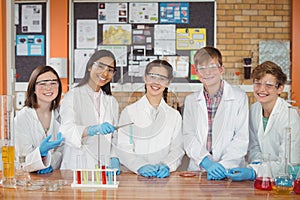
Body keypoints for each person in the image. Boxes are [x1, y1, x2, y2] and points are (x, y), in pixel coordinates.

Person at [183, 46, 249, 180]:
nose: (207, 72)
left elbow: (241, 138)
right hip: (199, 171)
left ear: (221, 69)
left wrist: (223, 166)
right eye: (202, 68)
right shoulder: (190, 100)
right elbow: (188, 136)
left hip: (231, 171)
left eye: (212, 66)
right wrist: (206, 162)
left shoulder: (239, 97)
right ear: (197, 72)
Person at [227, 61, 300, 181]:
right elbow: (254, 147)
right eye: (258, 83)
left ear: (280, 88)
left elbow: (290, 164)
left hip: (287, 182)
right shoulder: (254, 110)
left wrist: (255, 172)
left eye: (269, 85)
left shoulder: (290, 116)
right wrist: (258, 168)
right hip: (262, 180)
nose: (262, 89)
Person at [116, 59, 184, 178]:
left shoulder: (174, 116)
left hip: (164, 179)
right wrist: (140, 166)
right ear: (145, 78)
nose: (156, 82)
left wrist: (166, 165)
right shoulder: (129, 112)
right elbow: (123, 147)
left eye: (162, 78)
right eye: (152, 76)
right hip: (135, 179)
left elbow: (177, 149)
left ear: (168, 83)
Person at [59, 49, 120, 173]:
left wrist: (114, 157)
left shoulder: (111, 101)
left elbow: (115, 136)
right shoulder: (72, 96)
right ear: (89, 67)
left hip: (104, 168)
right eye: (100, 66)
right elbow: (66, 130)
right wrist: (92, 130)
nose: (105, 73)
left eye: (110, 70)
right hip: (76, 167)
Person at [15, 65, 65, 174]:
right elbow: (23, 158)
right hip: (28, 178)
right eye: (43, 84)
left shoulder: (63, 114)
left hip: (54, 177)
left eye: (53, 83)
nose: (48, 88)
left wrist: (49, 163)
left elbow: (63, 151)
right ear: (33, 89)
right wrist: (40, 154)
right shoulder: (23, 117)